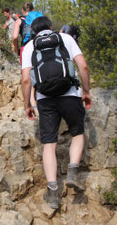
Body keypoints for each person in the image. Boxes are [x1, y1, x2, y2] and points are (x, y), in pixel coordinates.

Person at [21, 16, 92, 209]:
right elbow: (83, 66)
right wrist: (85, 91)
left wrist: (27, 104)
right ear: (51, 27)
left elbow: (26, 79)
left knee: (49, 145)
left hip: (45, 99)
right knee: (77, 133)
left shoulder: (29, 47)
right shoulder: (65, 39)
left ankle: (53, 193)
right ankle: (72, 174)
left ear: (33, 32)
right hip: (69, 94)